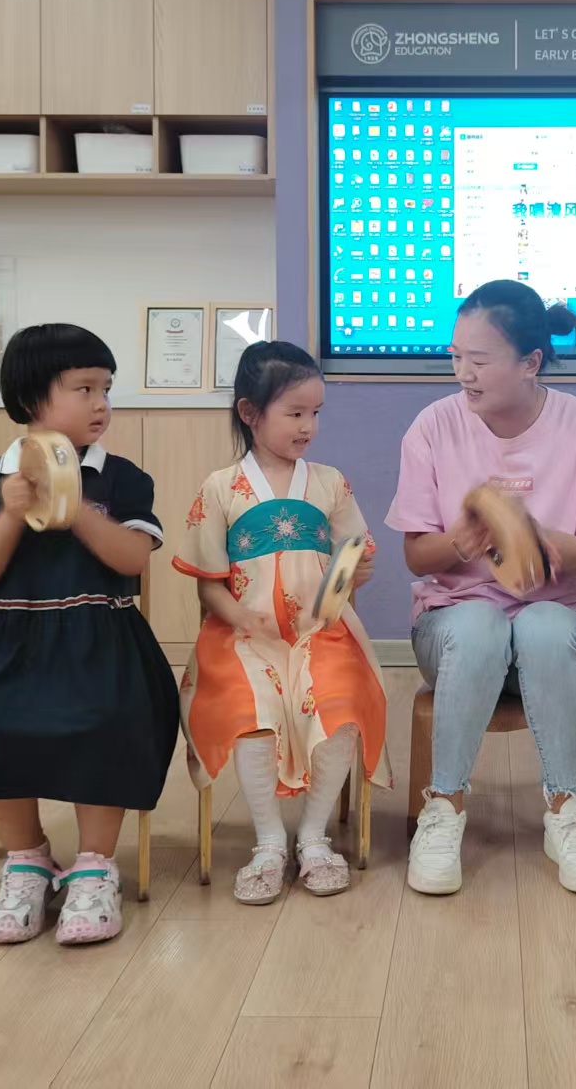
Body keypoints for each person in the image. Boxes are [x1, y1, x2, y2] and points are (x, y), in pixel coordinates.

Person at [386, 279, 576, 896]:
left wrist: (537, 538)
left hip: (555, 632)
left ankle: (567, 811)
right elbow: (415, 555)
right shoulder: (433, 425)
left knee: (542, 624)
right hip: (453, 632)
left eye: (478, 360)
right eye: (455, 357)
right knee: (479, 624)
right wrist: (463, 542)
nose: (463, 373)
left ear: (530, 362)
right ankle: (443, 809)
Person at [0, 324, 179, 946]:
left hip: (104, 636)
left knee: (110, 719)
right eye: (84, 389)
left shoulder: (122, 478)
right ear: (31, 399)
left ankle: (96, 868)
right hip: (12, 641)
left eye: (106, 388)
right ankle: (28, 861)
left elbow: (133, 559)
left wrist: (75, 511)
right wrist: (11, 512)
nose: (102, 403)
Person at [174, 341, 391, 904]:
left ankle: (313, 837)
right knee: (252, 709)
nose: (308, 427)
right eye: (295, 413)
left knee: (339, 701)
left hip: (322, 633)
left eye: (315, 413)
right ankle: (270, 841)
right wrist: (241, 617)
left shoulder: (330, 482)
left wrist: (354, 573)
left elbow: (351, 563)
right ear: (250, 413)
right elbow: (208, 583)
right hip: (242, 637)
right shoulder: (220, 487)